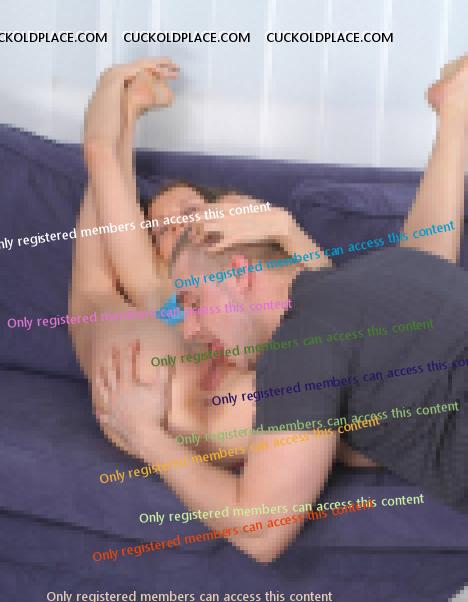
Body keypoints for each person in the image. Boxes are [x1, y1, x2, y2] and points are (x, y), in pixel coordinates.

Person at [96, 55, 468, 563]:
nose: (191, 329)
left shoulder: (301, 349)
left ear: (240, 273)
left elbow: (261, 534)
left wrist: (143, 433)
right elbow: (423, 257)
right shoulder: (386, 271)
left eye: (194, 302)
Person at [69, 58, 327, 454]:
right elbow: (102, 162)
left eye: (188, 212)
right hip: (199, 422)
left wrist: (284, 229)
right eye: (160, 230)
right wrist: (114, 88)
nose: (175, 227)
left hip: (245, 420)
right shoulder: (159, 289)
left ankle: (131, 105)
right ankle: (131, 106)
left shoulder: (266, 278)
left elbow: (334, 295)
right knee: (93, 288)